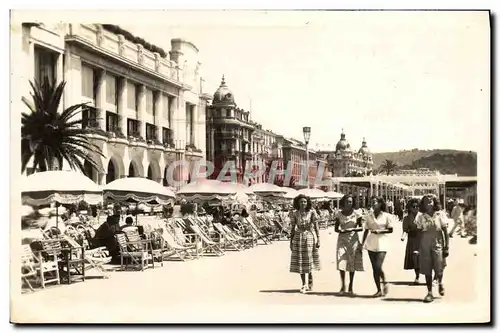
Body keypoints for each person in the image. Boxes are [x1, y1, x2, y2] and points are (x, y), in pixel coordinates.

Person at [415, 195, 449, 303]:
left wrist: (446, 247)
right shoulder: (420, 216)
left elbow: (445, 231)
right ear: (423, 204)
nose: (429, 202)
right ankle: (429, 293)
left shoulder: (440, 214)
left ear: (434, 202)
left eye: (431, 200)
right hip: (425, 244)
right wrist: (417, 248)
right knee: (427, 268)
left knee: (439, 266)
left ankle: (440, 282)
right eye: (426, 201)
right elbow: (419, 233)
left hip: (437, 242)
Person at [362, 196, 393, 297]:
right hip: (371, 242)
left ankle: (384, 281)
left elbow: (390, 229)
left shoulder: (386, 216)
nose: (373, 204)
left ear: (380, 203)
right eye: (371, 202)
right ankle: (378, 290)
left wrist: (379, 231)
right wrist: (362, 243)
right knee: (374, 268)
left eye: (375, 202)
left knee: (378, 266)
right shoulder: (369, 216)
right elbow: (366, 230)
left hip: (382, 242)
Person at [289, 194, 321, 293]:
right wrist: (291, 240)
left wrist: (318, 238)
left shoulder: (312, 212)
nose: (303, 203)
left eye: (305, 202)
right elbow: (293, 228)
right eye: (301, 202)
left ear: (307, 203)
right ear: (298, 203)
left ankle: (310, 281)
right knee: (300, 260)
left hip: (309, 237)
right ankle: (303, 284)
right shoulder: (295, 213)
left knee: (309, 259)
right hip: (298, 237)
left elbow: (316, 226)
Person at [333, 194, 364, 296]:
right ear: (344, 202)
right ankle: (343, 285)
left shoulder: (357, 214)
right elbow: (336, 228)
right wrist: (341, 230)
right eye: (347, 202)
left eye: (350, 202)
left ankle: (351, 285)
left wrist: (352, 229)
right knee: (341, 261)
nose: (349, 203)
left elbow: (361, 227)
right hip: (342, 239)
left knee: (351, 263)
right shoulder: (339, 214)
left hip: (353, 239)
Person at [401, 198, 421, 284]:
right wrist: (403, 236)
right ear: (409, 207)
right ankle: (417, 277)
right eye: (413, 206)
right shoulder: (407, 218)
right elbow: (405, 230)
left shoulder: (423, 216)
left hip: (422, 238)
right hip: (412, 239)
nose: (415, 208)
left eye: (417, 206)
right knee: (415, 259)